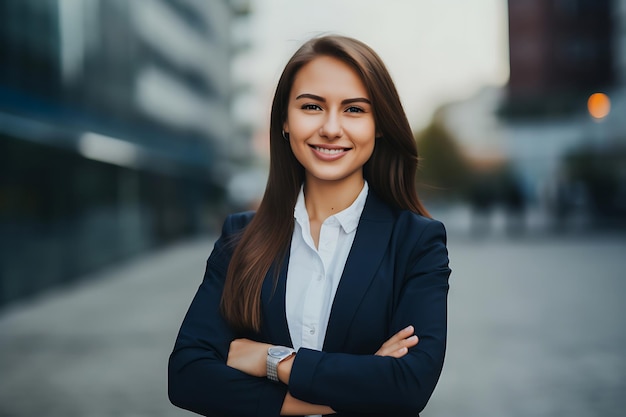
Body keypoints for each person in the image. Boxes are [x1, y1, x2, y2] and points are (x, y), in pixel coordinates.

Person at [168, 35, 451, 417]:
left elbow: (408, 387)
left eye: (354, 110)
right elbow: (187, 376)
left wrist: (274, 360)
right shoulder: (239, 238)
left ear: (379, 125)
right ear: (285, 120)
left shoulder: (416, 243)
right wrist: (355, 388)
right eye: (312, 106)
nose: (331, 128)